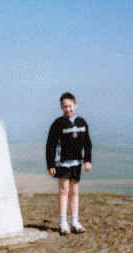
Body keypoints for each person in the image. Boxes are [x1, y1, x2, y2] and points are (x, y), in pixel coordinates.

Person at [46, 92, 92, 235]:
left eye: (70, 106)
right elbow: (50, 145)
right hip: (62, 163)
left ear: (75, 104)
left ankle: (75, 222)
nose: (68, 109)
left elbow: (87, 143)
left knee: (75, 192)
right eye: (64, 107)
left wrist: (87, 160)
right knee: (64, 190)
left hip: (77, 162)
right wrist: (51, 164)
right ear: (61, 107)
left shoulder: (82, 122)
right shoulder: (57, 124)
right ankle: (63, 223)